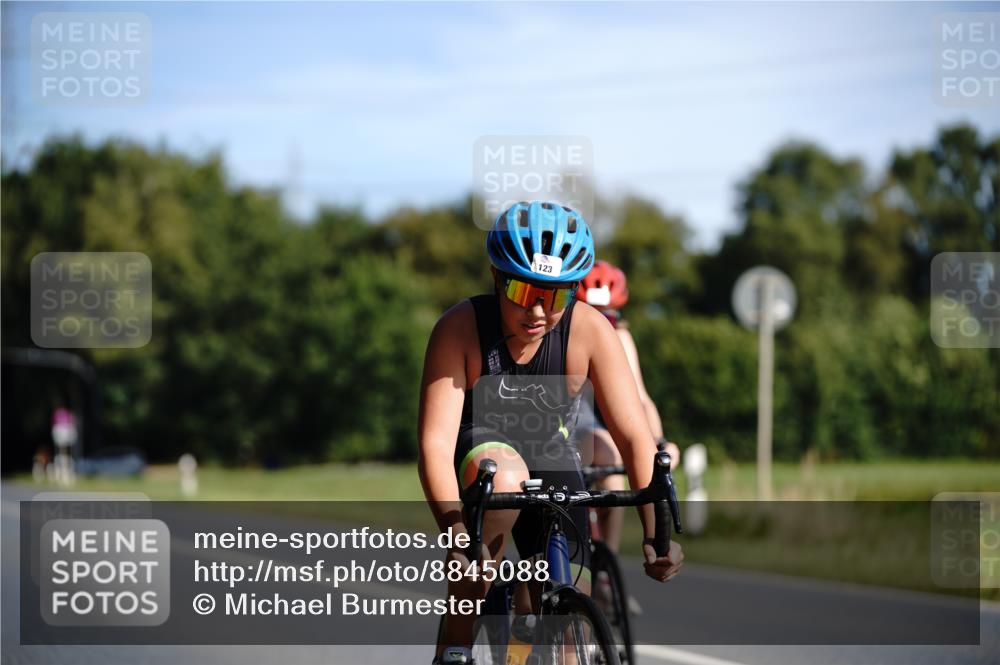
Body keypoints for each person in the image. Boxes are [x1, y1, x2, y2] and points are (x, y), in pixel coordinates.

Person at [418, 201, 684, 664]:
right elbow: (434, 444)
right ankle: (454, 648)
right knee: (503, 480)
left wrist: (656, 533)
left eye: (556, 295)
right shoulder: (459, 328)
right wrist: (458, 534)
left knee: (564, 612)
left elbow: (634, 436)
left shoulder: (591, 331)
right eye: (523, 290)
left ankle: (529, 641)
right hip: (483, 451)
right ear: (497, 278)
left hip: (552, 454)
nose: (538, 310)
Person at [575, 260, 681, 614]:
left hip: (596, 417)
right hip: (565, 412)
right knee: (602, 451)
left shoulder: (620, 338)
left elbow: (640, 399)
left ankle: (607, 565)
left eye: (610, 316)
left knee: (616, 469)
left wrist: (660, 444)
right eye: (593, 313)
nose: (601, 324)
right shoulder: (561, 331)